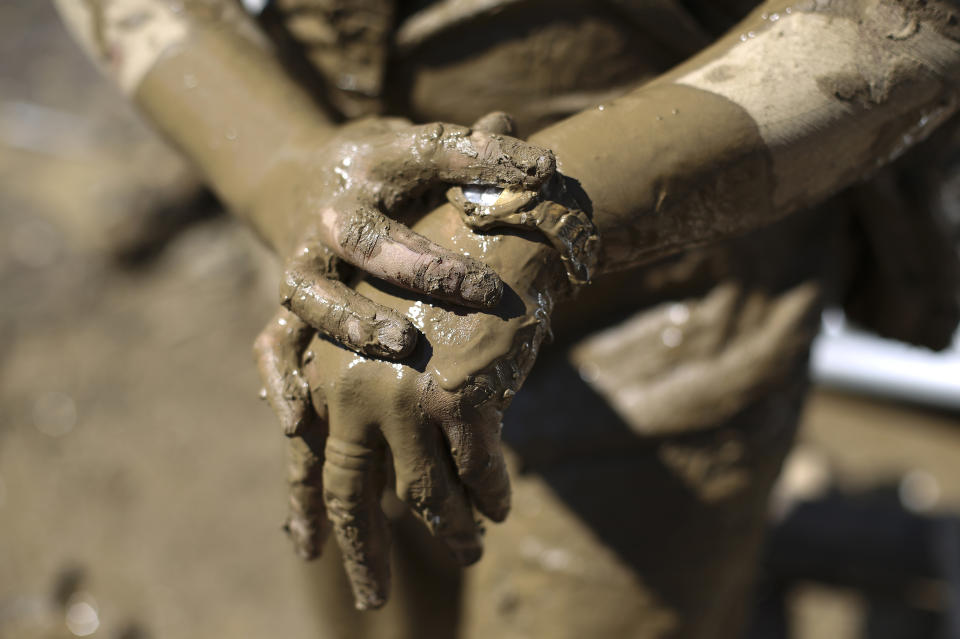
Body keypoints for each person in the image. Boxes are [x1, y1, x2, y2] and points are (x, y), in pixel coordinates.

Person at [52, 0, 960, 637]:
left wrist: (523, 222)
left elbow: (914, 21)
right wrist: (280, 167)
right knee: (374, 576)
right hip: (325, 269)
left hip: (666, 308)